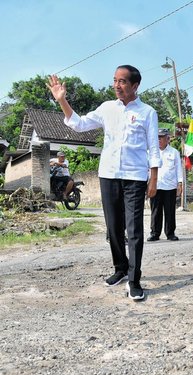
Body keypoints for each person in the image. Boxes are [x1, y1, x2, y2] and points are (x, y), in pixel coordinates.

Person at [47, 65, 161, 301]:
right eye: (115, 80)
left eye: (122, 82)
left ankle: (134, 279)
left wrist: (154, 179)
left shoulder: (148, 112)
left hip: (135, 178)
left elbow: (153, 148)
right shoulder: (107, 108)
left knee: (135, 229)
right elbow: (78, 124)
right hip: (108, 174)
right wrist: (62, 100)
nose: (117, 85)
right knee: (113, 227)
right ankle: (120, 268)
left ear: (135, 86)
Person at [147, 128, 182, 242]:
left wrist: (180, 183)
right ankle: (155, 233)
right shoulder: (151, 152)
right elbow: (147, 169)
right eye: (157, 137)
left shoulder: (174, 152)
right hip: (155, 186)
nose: (159, 140)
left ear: (167, 139)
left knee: (170, 211)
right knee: (155, 211)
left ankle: (170, 233)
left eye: (161, 137)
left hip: (170, 186)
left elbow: (178, 169)